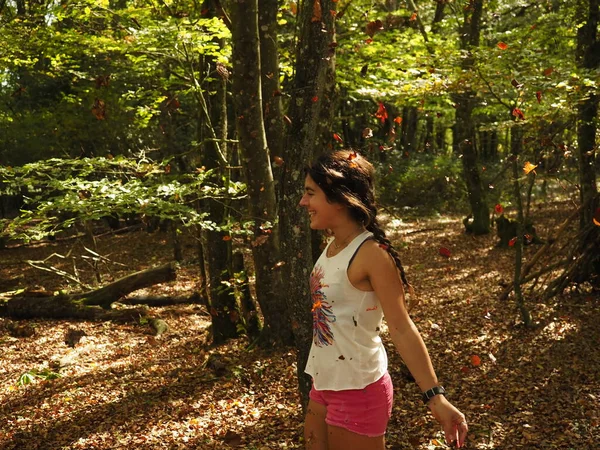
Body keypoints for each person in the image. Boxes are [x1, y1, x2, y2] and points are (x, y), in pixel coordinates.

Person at [298, 150, 468, 450]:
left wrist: (435, 397)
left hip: (358, 389)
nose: (303, 202)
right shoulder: (333, 245)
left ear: (339, 198)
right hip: (324, 384)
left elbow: (401, 328)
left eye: (311, 193)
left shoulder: (372, 254)